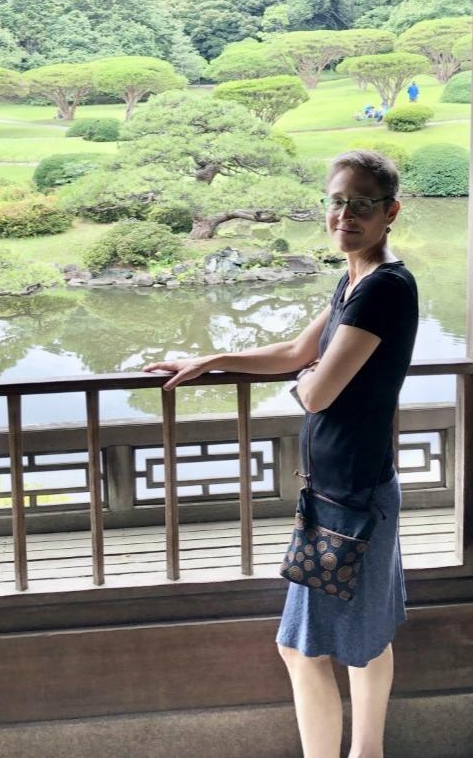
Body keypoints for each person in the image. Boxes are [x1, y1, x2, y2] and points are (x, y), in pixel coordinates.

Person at [143, 150, 417, 758]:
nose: (345, 214)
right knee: (363, 639)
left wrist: (316, 374)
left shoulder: (385, 289)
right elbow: (299, 352)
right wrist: (210, 360)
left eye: (362, 203)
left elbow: (316, 390)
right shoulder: (355, 280)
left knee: (302, 646)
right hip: (346, 489)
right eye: (337, 201)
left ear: (390, 212)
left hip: (351, 498)